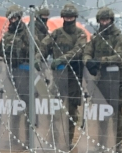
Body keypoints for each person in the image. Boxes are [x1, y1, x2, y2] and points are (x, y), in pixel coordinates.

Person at [84, 7, 122, 153]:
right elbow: (87, 52)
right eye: (102, 20)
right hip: (101, 78)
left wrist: (100, 61)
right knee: (101, 113)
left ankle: (117, 145)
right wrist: (88, 62)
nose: (104, 23)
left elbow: (119, 55)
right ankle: (102, 143)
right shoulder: (97, 37)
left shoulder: (117, 36)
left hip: (116, 78)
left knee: (115, 112)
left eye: (107, 20)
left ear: (111, 20)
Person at [40, 3, 86, 144]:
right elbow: (44, 46)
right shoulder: (56, 33)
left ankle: (67, 140)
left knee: (71, 109)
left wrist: (62, 59)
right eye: (66, 17)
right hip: (58, 76)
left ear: (75, 17)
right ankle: (54, 137)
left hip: (74, 76)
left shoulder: (80, 34)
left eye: (71, 17)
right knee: (55, 107)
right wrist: (38, 57)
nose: (68, 19)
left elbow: (78, 50)